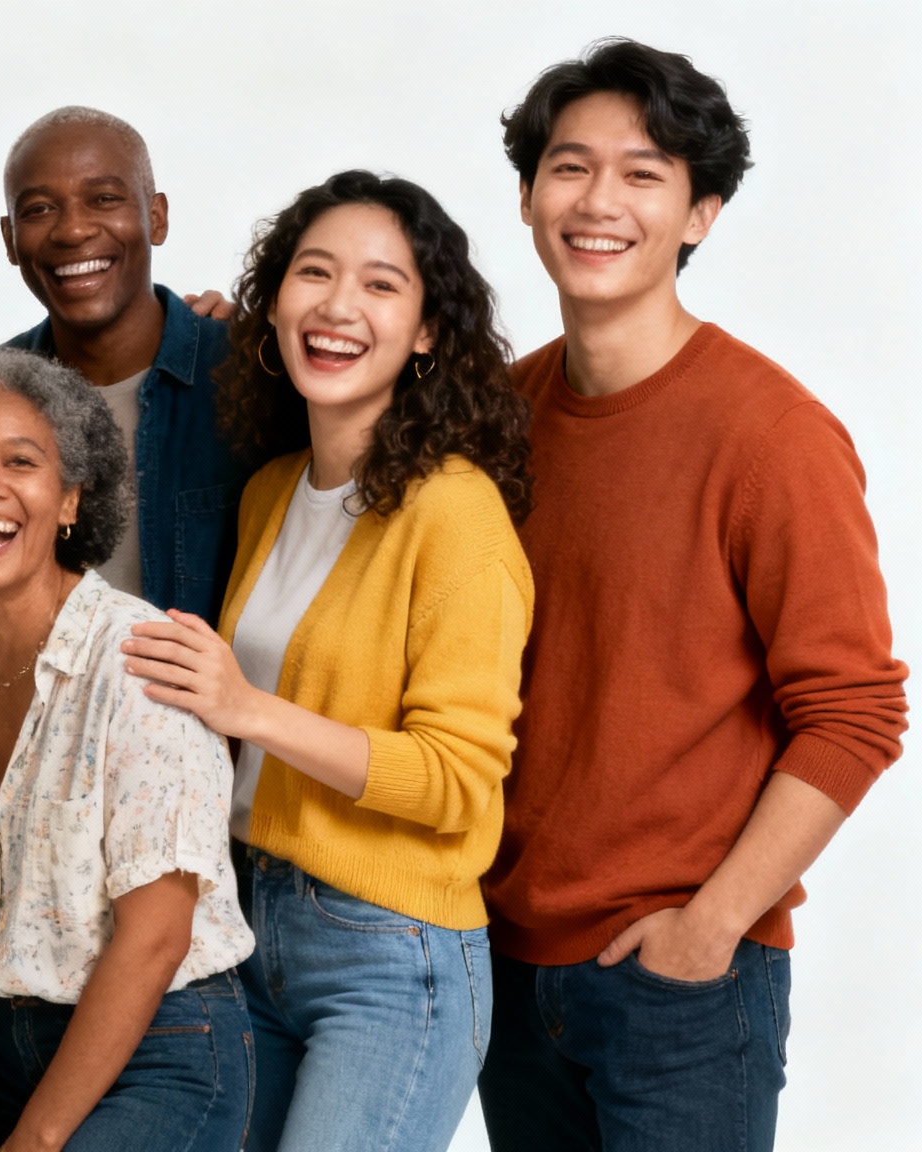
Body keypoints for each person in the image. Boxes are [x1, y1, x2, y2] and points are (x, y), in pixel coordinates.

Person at [476, 39, 908, 1152]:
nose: (596, 201)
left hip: (679, 981)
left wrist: (711, 925)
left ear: (699, 213)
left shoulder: (769, 435)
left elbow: (853, 713)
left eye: (642, 174)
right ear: (528, 195)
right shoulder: (500, 419)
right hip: (505, 972)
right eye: (568, 168)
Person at [124, 170, 536, 1151]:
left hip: (390, 955)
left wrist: (249, 710)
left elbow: (453, 784)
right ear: (271, 309)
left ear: (428, 330)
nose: (337, 305)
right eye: (312, 274)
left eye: (380, 285)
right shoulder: (271, 490)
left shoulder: (452, 513)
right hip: (249, 925)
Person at [0, 348, 254, 1151]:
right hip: (8, 1051)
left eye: (22, 461)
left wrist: (37, 1140)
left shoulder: (141, 660)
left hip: (164, 1045)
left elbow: (157, 935)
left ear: (72, 499)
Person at [0, 106, 259, 621]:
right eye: (39, 209)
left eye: (104, 199)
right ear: (9, 239)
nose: (72, 231)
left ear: (156, 217)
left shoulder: (254, 376)